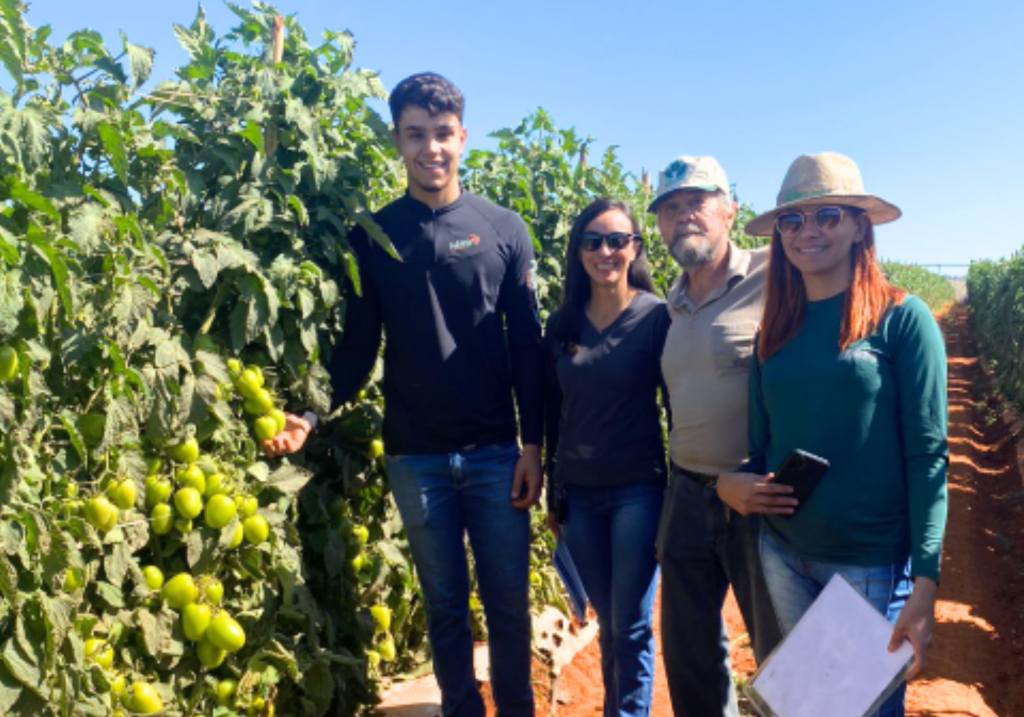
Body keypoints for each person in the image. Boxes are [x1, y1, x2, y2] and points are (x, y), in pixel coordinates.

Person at [263, 73, 544, 717]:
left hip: (497, 451)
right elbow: (358, 347)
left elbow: (526, 346)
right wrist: (310, 413)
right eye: (415, 134)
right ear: (397, 140)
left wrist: (534, 445)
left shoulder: (504, 229)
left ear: (462, 138)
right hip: (415, 456)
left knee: (507, 604)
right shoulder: (375, 236)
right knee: (444, 605)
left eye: (443, 134)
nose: (431, 149)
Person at [720, 152, 948, 717]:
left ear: (857, 226)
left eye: (827, 215)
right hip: (783, 554)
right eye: (792, 221)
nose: (807, 232)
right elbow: (759, 448)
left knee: (857, 711)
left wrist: (925, 582)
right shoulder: (775, 330)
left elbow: (927, 456)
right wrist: (732, 487)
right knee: (812, 710)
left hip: (870, 565)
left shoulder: (903, 319)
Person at [651, 156, 783, 717]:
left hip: (758, 499)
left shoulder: (776, 277)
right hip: (685, 493)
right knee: (689, 653)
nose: (684, 217)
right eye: (671, 209)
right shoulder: (671, 302)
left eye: (697, 203)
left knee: (781, 647)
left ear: (730, 210)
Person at [544, 198, 670, 717]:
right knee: (608, 621)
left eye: (617, 239)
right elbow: (554, 412)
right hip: (579, 494)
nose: (605, 250)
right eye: (592, 240)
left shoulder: (656, 317)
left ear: (635, 248)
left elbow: (678, 403)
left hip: (639, 490)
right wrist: (554, 489)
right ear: (577, 251)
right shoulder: (563, 323)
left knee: (631, 623)